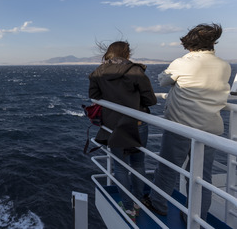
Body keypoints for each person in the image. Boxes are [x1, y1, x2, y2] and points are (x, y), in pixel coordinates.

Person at [142, 23, 231, 221]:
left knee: (168, 167)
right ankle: (196, 216)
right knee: (201, 176)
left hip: (181, 126)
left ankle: (158, 203)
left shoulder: (183, 63)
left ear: (190, 44)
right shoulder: (224, 65)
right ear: (212, 43)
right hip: (210, 129)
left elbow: (163, 80)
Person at [89, 41, 157, 221]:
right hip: (137, 123)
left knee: (120, 167)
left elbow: (94, 97)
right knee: (138, 164)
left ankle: (128, 208)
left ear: (108, 53)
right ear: (127, 53)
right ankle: (137, 202)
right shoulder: (135, 70)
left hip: (113, 126)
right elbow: (150, 100)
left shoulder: (97, 73)